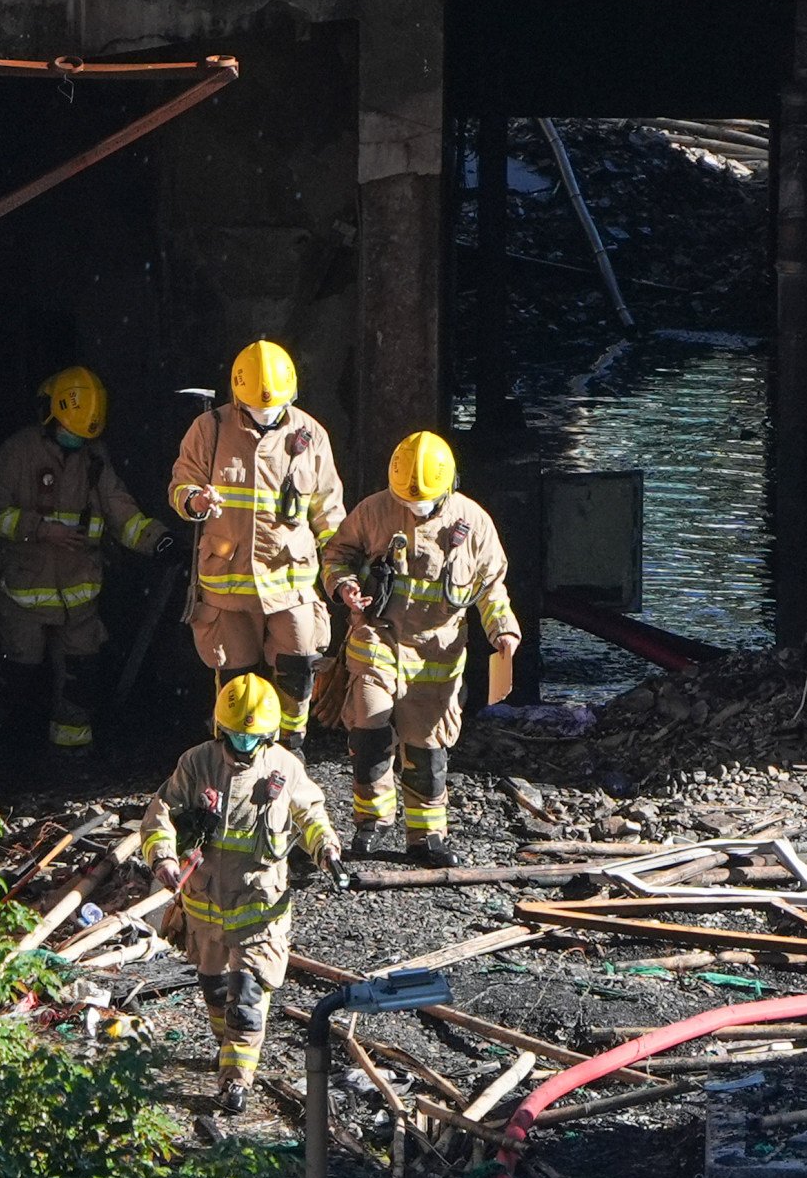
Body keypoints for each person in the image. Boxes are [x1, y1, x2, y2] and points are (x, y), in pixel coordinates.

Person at [138, 672, 340, 1120]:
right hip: (205, 907)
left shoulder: (284, 767)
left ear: (268, 735)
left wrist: (325, 846)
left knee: (247, 998)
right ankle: (225, 1047)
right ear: (219, 728)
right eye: (235, 735)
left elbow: (310, 811)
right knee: (215, 990)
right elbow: (161, 816)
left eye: (252, 737)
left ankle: (235, 1081)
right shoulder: (196, 764)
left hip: (259, 910)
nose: (243, 745)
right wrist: (164, 858)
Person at [331, 430, 522, 867]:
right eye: (406, 500)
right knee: (370, 724)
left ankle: (426, 836)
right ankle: (371, 821)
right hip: (379, 636)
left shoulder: (473, 524)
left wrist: (503, 632)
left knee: (426, 744)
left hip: (437, 652)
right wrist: (345, 587)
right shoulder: (375, 511)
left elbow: (491, 589)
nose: (413, 509)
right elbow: (338, 554)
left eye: (421, 502)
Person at [0, 364, 169, 751]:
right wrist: (38, 529)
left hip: (79, 595)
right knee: (16, 670)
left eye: (81, 435)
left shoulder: (95, 461)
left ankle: (71, 759)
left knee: (81, 676)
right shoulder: (18, 453)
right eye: (68, 432)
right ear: (48, 415)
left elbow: (122, 514)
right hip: (24, 591)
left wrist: (159, 542)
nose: (73, 441)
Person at [167, 339, 346, 736]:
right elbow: (181, 485)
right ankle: (235, 756)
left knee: (298, 671)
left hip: (292, 583)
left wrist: (341, 572)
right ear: (236, 395)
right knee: (236, 680)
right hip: (228, 588)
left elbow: (329, 512)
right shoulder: (210, 429)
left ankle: (290, 749)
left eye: (272, 407)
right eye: (254, 408)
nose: (264, 415)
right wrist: (195, 500)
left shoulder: (310, 435)